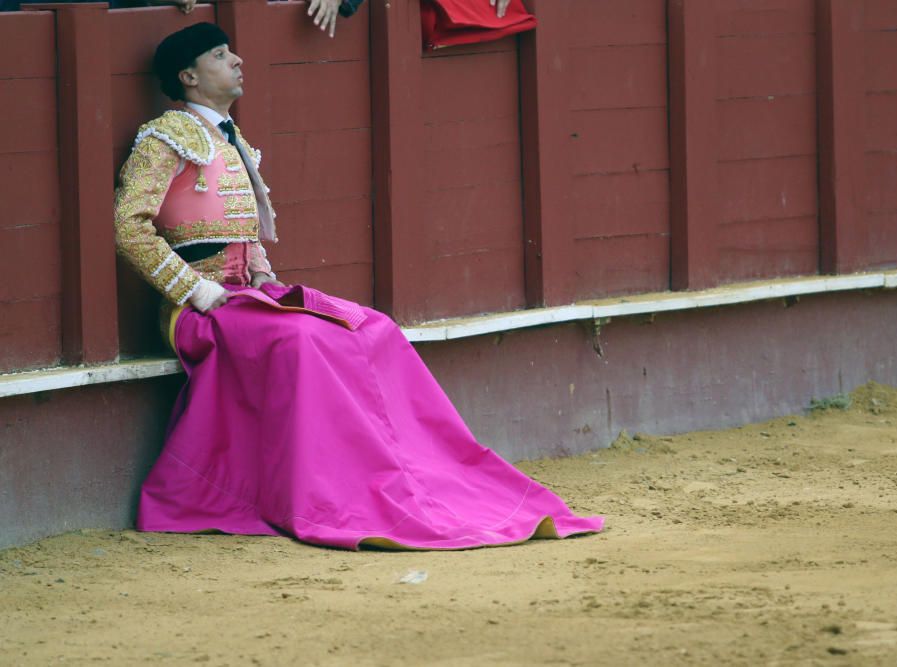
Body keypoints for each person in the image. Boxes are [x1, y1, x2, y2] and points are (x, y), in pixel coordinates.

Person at [114, 22, 603, 550]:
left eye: (231, 50)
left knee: (372, 329)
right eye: (219, 54)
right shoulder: (166, 137)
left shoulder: (231, 141)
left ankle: (401, 470)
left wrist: (260, 273)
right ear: (188, 76)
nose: (236, 60)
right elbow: (128, 225)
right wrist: (192, 291)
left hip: (247, 298)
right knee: (304, 340)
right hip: (196, 309)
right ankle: (332, 486)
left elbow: (240, 231)